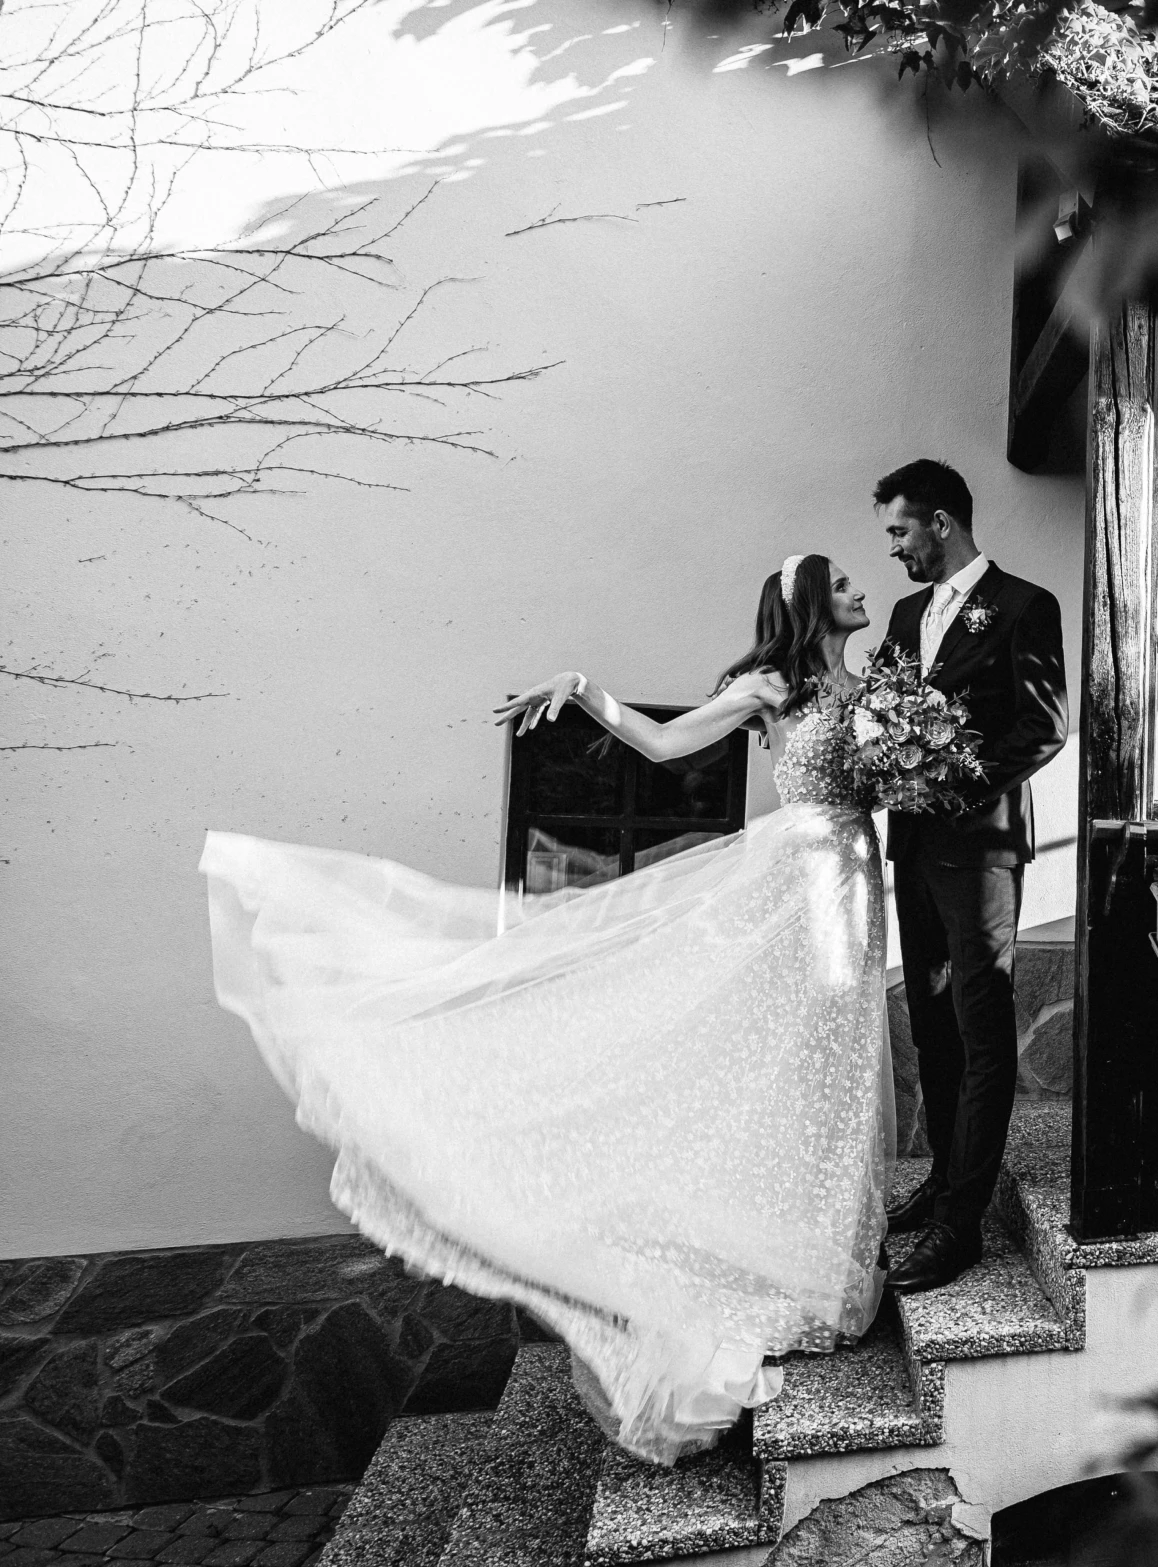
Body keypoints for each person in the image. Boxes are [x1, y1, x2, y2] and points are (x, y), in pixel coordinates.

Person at [199, 556, 892, 1464]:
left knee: (836, 1069)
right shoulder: (771, 687)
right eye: (840, 580)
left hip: (857, 880)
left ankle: (828, 1264)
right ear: (810, 604)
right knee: (791, 1068)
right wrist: (585, 690)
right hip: (794, 889)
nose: (857, 586)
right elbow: (665, 742)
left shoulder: (879, 686)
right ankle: (776, 1277)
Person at [873, 459, 1068, 1293]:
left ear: (942, 522)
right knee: (931, 1020)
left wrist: (949, 778)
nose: (895, 549)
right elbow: (880, 708)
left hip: (982, 847)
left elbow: (1044, 726)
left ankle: (963, 1223)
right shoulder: (905, 611)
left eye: (901, 531)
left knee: (983, 1027)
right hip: (913, 850)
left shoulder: (1026, 606)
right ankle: (945, 1181)